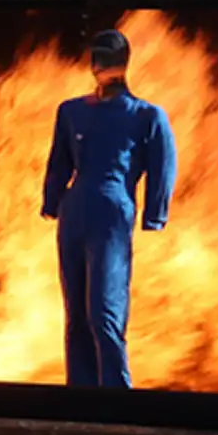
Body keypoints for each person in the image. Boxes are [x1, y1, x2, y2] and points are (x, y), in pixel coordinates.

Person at [40, 29, 177, 389]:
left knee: (104, 309)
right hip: (76, 212)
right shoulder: (70, 111)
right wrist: (52, 200)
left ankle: (117, 396)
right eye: (98, 56)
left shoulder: (146, 116)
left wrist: (155, 214)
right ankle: (82, 394)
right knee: (77, 315)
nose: (101, 64)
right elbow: (59, 162)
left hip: (112, 214)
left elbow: (164, 163)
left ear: (124, 63)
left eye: (108, 57)